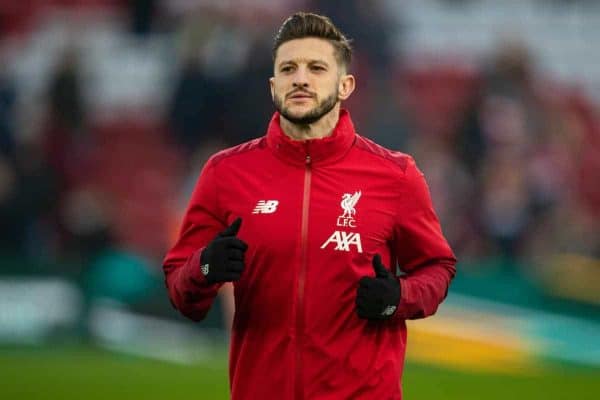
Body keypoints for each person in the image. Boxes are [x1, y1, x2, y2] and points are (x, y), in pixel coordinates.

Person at [163, 12, 456, 400]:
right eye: (288, 68)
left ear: (345, 84)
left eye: (316, 67)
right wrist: (205, 267)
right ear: (273, 85)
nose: (300, 78)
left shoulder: (396, 175)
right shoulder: (225, 173)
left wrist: (397, 298)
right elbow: (181, 289)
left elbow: (437, 269)